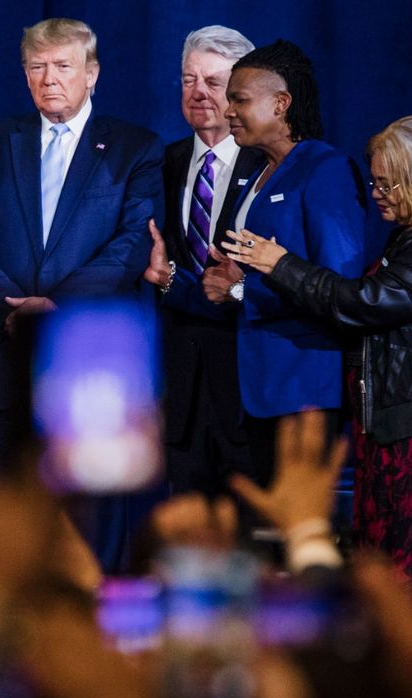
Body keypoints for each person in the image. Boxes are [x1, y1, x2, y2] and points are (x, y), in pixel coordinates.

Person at [223, 114, 412, 648]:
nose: (377, 193)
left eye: (389, 183)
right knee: (401, 575)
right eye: (375, 181)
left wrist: (281, 264)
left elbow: (367, 304)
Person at [0, 17, 162, 572]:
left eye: (63, 66)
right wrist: (13, 305)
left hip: (85, 366)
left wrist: (55, 310)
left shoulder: (133, 148)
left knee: (84, 538)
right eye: (37, 68)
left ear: (91, 73)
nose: (49, 79)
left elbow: (130, 245)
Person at [202, 40, 364, 486]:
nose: (227, 109)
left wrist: (240, 289)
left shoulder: (324, 169)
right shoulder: (259, 171)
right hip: (259, 384)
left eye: (240, 99)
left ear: (281, 103)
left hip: (304, 388)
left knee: (297, 532)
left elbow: (339, 285)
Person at [141, 25, 262, 498]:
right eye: (188, 80)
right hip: (181, 389)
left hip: (247, 388)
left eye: (212, 82)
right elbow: (160, 271)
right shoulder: (160, 164)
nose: (197, 92)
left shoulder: (269, 165)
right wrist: (166, 279)